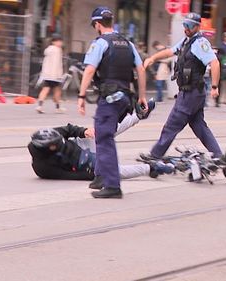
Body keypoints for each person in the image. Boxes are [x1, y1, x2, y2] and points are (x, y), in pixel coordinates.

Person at [77, 7, 147, 199]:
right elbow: (141, 70)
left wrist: (81, 96)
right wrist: (141, 96)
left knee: (104, 137)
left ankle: (112, 185)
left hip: (109, 98)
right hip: (125, 98)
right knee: (102, 133)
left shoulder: (100, 43)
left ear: (97, 24)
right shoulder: (127, 43)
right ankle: (101, 175)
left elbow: (90, 70)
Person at [141, 12, 223, 163]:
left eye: (190, 25)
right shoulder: (187, 41)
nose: (186, 28)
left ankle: (155, 155)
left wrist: (215, 86)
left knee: (172, 124)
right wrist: (153, 58)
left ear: (197, 27)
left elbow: (215, 63)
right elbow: (170, 51)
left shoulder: (200, 43)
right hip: (192, 92)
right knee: (199, 126)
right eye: (185, 24)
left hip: (191, 92)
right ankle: (218, 155)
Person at [28, 106, 174, 182]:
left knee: (103, 131)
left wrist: (84, 131)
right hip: (83, 164)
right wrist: (93, 175)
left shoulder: (50, 134)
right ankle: (151, 168)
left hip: (80, 146)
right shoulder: (43, 168)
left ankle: (138, 115)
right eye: (55, 145)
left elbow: (68, 129)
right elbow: (67, 175)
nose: (59, 144)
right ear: (45, 149)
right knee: (114, 172)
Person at [36, 36, 66, 114]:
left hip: (47, 74)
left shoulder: (48, 50)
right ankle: (58, 107)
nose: (60, 43)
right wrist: (60, 75)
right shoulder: (57, 50)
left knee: (45, 89)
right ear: (54, 42)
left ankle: (39, 106)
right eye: (59, 41)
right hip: (55, 75)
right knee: (57, 91)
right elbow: (57, 64)